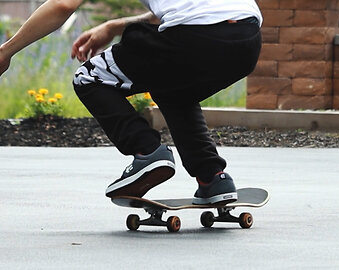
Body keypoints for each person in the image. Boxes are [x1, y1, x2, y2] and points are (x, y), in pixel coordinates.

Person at [0, 0, 263, 205]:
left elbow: (62, 5)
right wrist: (114, 26)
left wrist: (6, 51)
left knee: (89, 77)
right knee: (174, 87)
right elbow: (190, 9)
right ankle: (212, 177)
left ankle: (147, 151)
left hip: (193, 37)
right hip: (246, 40)